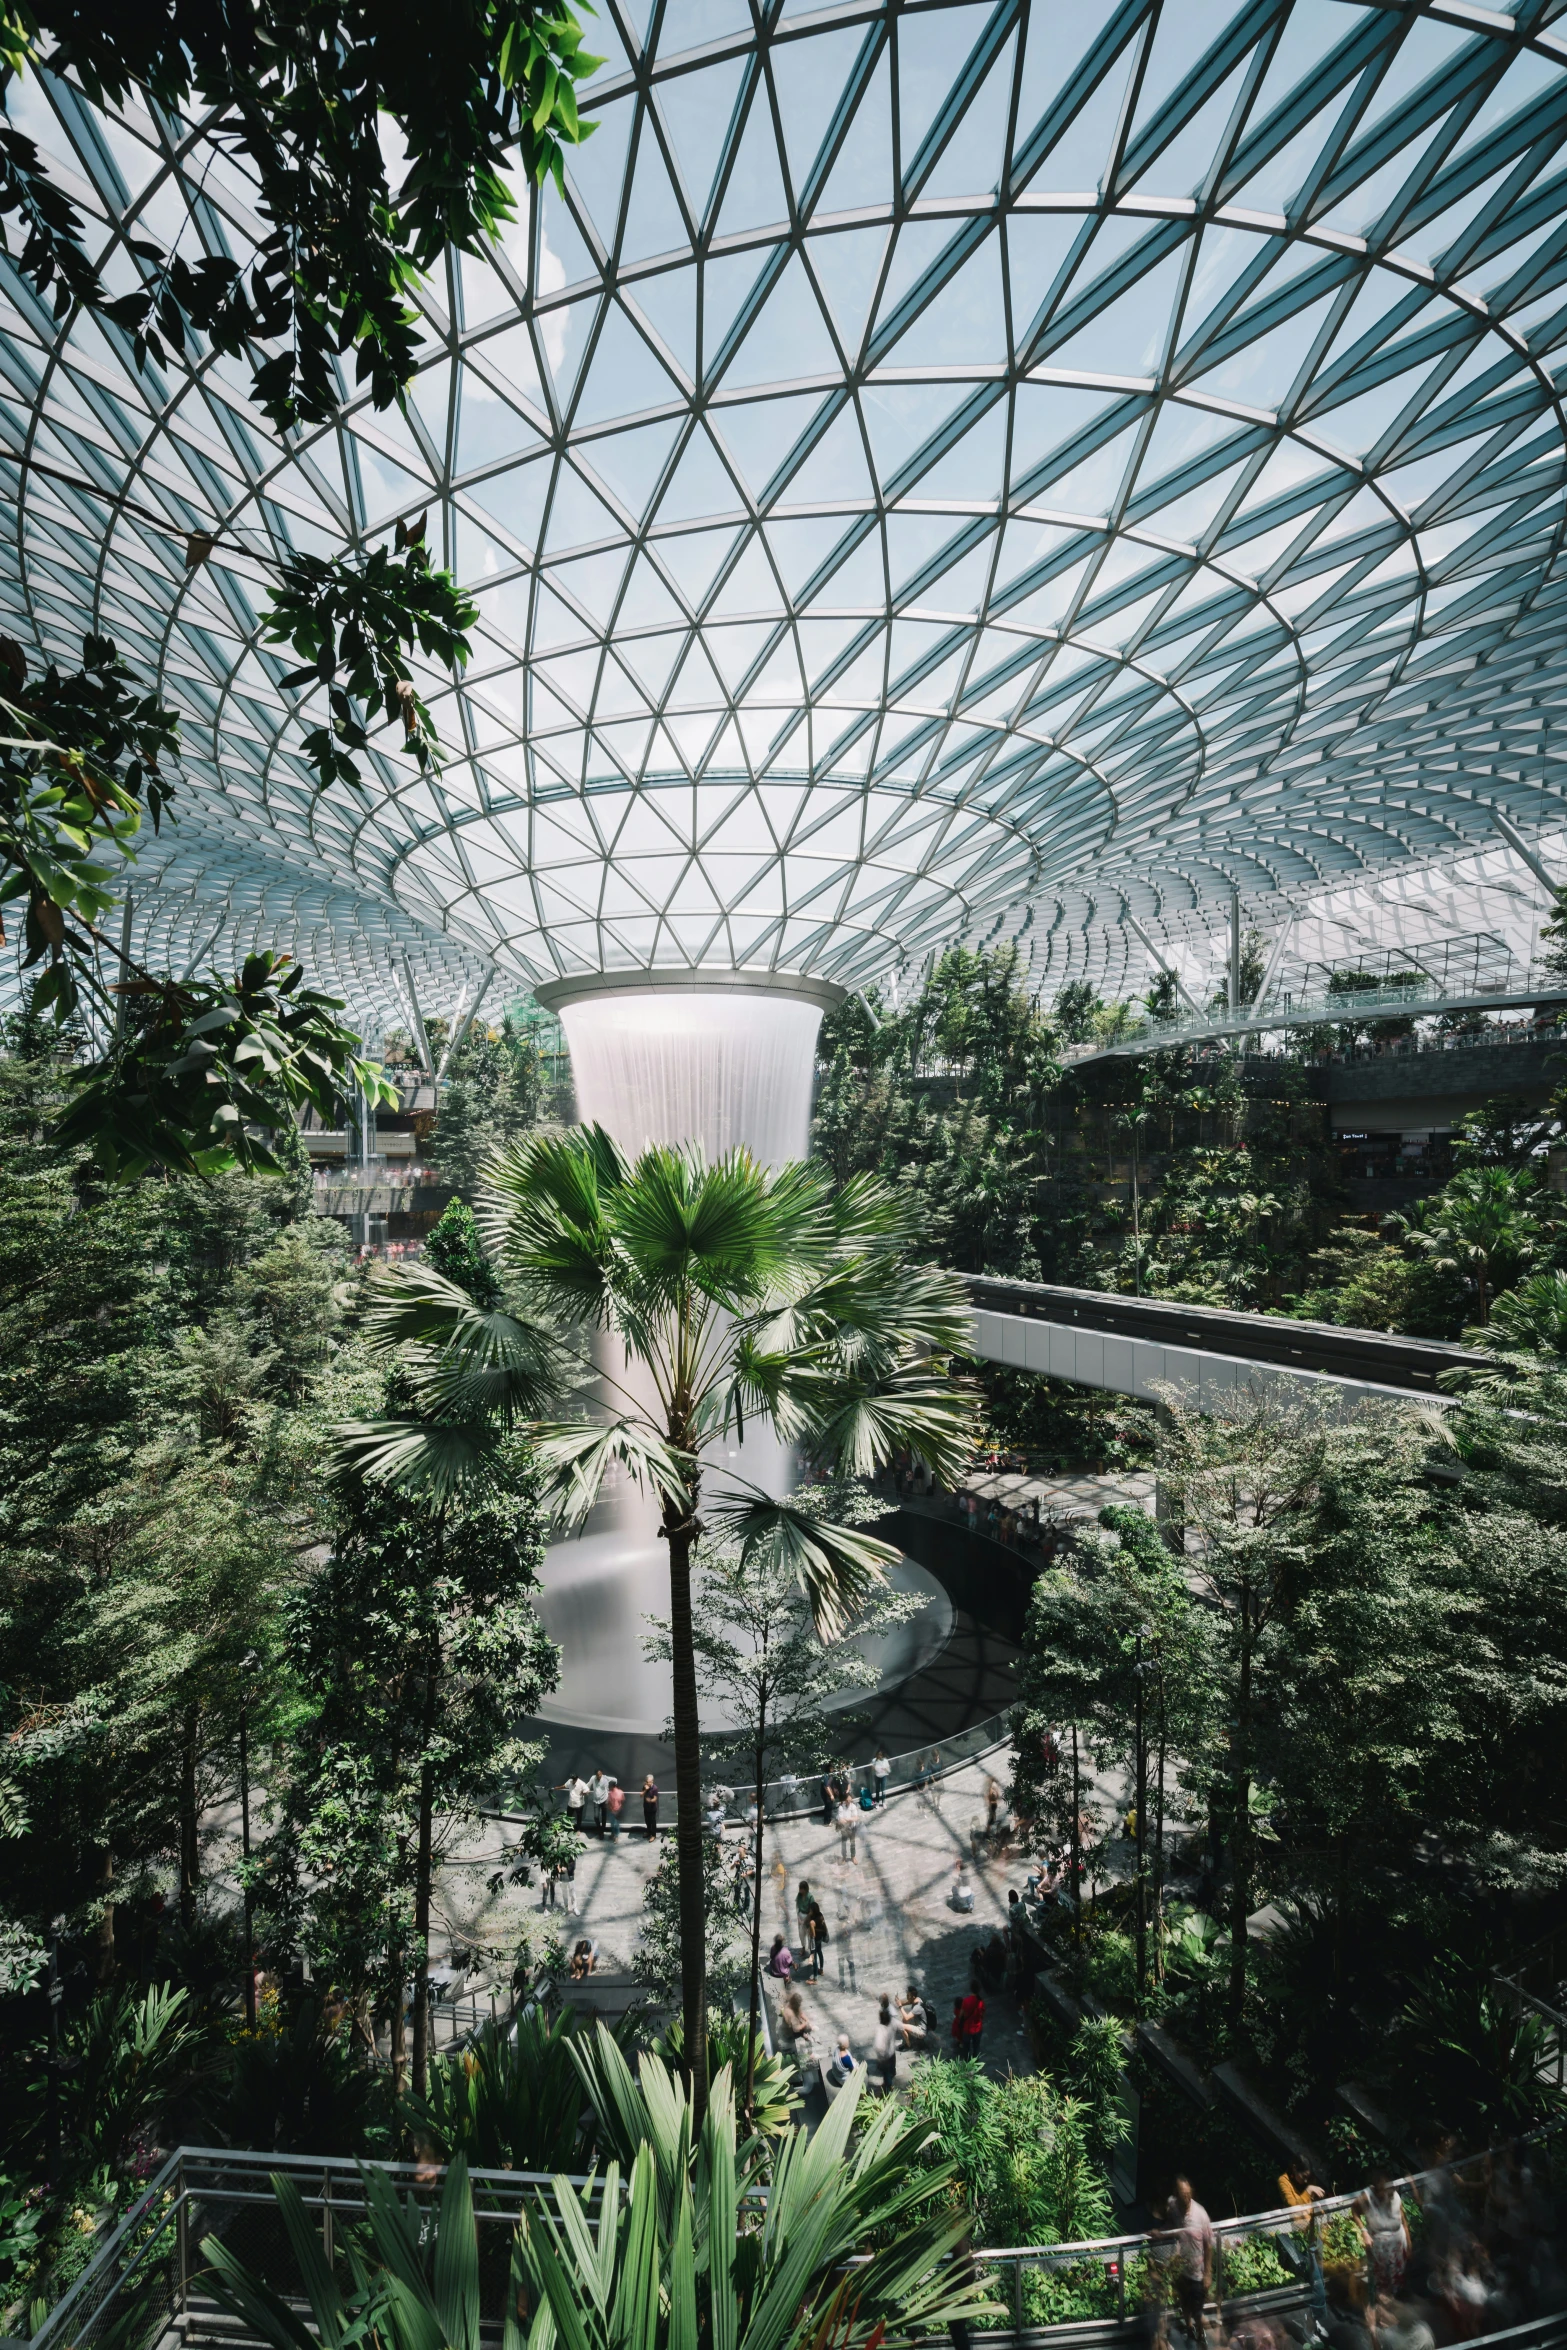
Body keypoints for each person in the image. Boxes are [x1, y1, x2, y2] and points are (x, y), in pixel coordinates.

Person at [1168, 2175, 1214, 2344]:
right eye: (1182, 2194)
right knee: (1184, 2303)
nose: (1186, 2197)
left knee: (1197, 2310)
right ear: (1176, 2194)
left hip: (1197, 2273)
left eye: (1188, 2194)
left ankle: (1202, 2335)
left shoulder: (1200, 2215)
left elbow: (1209, 2245)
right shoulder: (1173, 2206)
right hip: (1181, 2269)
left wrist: (1208, 2273)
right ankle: (1189, 2329)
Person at [1355, 2172, 1411, 2296]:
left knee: (1398, 2278)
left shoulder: (1394, 2195)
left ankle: (1397, 2299)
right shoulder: (1367, 2196)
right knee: (1382, 2283)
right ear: (1378, 2189)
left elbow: (1403, 2219)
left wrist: (1408, 2241)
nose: (1390, 2194)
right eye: (1386, 2191)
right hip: (1380, 2250)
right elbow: (1354, 2211)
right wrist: (1364, 2232)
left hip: (1398, 2246)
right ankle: (1384, 2305)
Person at [872, 1995, 898, 2091]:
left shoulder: (880, 2029)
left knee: (886, 2073)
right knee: (891, 2067)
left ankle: (888, 2087)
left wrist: (880, 2058)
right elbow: (901, 2026)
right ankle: (892, 2075)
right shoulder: (893, 2023)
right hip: (892, 2051)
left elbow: (878, 2046)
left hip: (885, 2056)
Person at [806, 1898, 829, 1980]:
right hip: (820, 1938)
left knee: (813, 1956)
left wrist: (811, 1934)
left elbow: (813, 1934)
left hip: (815, 1940)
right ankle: (821, 1970)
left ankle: (815, 1978)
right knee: (820, 1952)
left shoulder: (812, 1921)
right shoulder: (820, 1915)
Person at [588, 1766, 612, 1835]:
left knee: (604, 1816)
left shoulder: (605, 1778)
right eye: (597, 1775)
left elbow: (615, 1779)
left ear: (602, 1774)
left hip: (604, 1800)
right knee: (596, 1817)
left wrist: (615, 1786)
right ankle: (599, 1828)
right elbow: (588, 1784)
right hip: (596, 1800)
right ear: (595, 1775)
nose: (599, 1776)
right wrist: (585, 1790)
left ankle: (602, 1831)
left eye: (600, 1775)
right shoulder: (593, 1778)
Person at [835, 1797, 857, 1862]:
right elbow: (840, 1819)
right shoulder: (841, 1807)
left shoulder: (853, 1806)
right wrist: (850, 1819)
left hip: (852, 1827)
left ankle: (853, 1857)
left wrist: (847, 1819)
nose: (848, 1802)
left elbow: (855, 1818)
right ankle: (844, 1857)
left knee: (852, 1843)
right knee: (844, 1843)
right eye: (847, 1800)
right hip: (844, 1828)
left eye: (849, 1800)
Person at [642, 1774, 660, 1839]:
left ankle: (653, 1835)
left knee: (653, 1822)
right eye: (646, 1782)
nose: (647, 1783)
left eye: (648, 1782)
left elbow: (655, 1799)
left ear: (652, 1781)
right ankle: (648, 1832)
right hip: (646, 1807)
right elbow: (641, 1795)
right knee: (647, 1821)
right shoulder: (645, 1786)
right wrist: (645, 1790)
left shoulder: (655, 1788)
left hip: (652, 1808)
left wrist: (649, 1800)